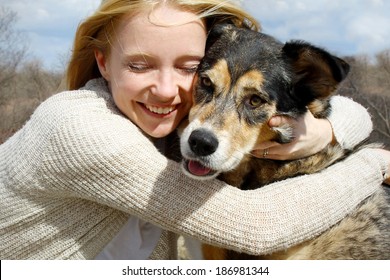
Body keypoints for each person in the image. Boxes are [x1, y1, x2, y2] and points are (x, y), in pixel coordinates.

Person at [0, 0, 389, 260]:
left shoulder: (155, 120)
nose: (168, 89)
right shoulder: (81, 130)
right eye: (139, 65)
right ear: (102, 63)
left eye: (188, 68)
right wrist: (372, 163)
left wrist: (328, 131)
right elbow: (258, 227)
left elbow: (344, 106)